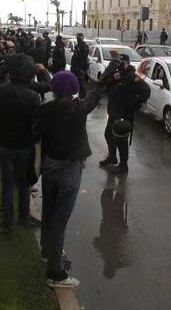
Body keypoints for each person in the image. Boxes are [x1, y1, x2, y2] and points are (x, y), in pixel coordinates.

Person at [32, 68, 116, 288]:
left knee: (49, 212)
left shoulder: (46, 110)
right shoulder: (79, 109)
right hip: (70, 171)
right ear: (75, 91)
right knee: (61, 221)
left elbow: (33, 135)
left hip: (49, 168)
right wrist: (109, 74)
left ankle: (46, 251)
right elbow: (96, 93)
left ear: (54, 90)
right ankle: (56, 273)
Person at [0, 53, 43, 238]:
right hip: (23, 147)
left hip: (5, 144)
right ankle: (24, 216)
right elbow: (35, 128)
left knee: (7, 184)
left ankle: (7, 223)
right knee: (24, 184)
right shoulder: (32, 97)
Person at [99, 51, 151, 174]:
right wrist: (113, 77)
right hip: (113, 112)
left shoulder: (132, 77)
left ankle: (123, 165)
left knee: (121, 141)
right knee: (108, 135)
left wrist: (134, 105)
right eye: (120, 63)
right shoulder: (118, 75)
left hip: (123, 114)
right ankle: (112, 157)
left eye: (123, 63)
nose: (120, 65)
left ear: (128, 63)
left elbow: (146, 90)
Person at [69, 33, 89, 98]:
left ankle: (82, 97)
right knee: (73, 82)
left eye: (79, 37)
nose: (78, 38)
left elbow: (83, 59)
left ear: (82, 37)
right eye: (77, 37)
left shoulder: (84, 46)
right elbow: (75, 56)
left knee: (80, 83)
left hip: (80, 68)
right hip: (74, 67)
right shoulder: (77, 46)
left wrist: (79, 68)